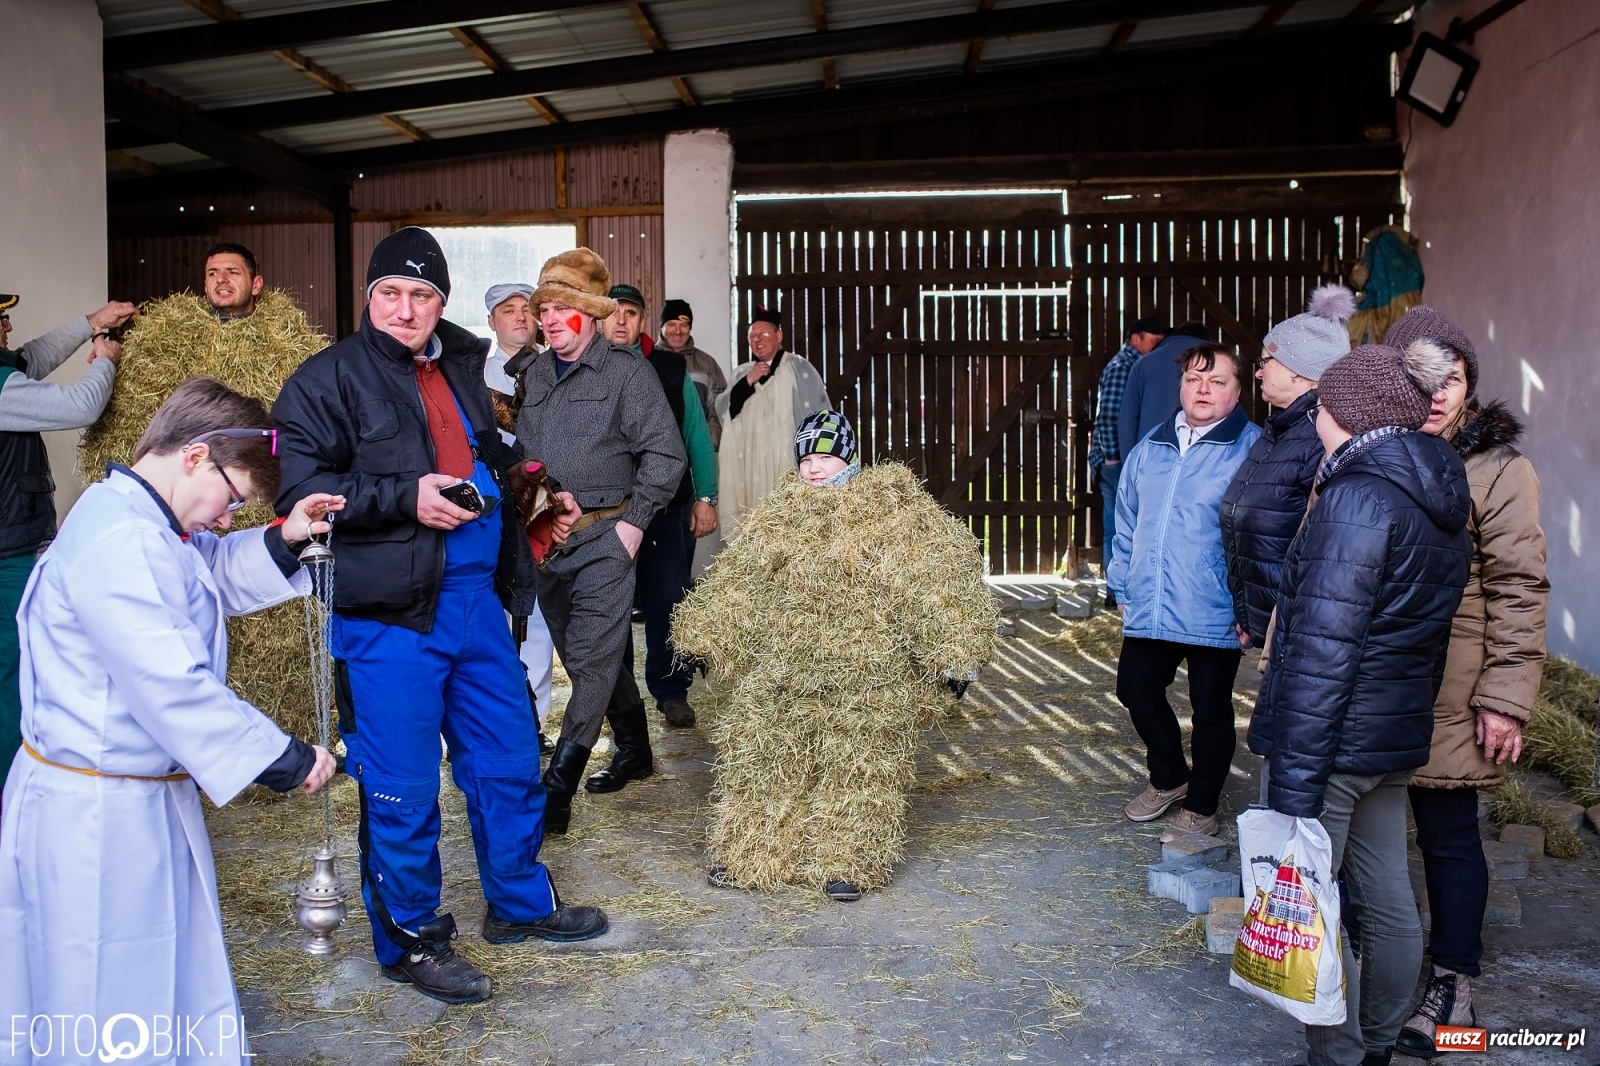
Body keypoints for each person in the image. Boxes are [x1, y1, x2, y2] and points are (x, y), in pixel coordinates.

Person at [274, 227, 606, 1008]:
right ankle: (413, 940)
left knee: (508, 758)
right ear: (368, 298)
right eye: (391, 292)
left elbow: (486, 459)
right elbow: (297, 499)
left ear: (442, 303)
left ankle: (521, 905)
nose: (406, 308)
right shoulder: (324, 381)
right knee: (401, 786)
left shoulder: (459, 368)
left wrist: (531, 497)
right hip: (390, 615)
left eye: (422, 295)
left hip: (476, 605)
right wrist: (401, 497)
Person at [0, 377, 340, 1065]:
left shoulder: (141, 520)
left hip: (135, 800)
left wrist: (286, 537)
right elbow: (172, 686)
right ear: (195, 456)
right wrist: (288, 759)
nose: (224, 519)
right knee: (105, 987)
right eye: (232, 500)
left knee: (156, 975)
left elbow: (201, 573)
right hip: (95, 816)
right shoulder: (117, 540)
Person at [1248, 339, 1470, 1066]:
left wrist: (1298, 777)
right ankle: (1376, 1044)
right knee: (1388, 900)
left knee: (1311, 903)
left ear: (1345, 410)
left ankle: (1338, 1054)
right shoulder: (1436, 491)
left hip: (1334, 743)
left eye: (1326, 402)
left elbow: (1322, 650)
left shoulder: (1357, 499)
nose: (1315, 414)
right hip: (1390, 735)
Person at [674, 410, 995, 901]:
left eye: (826, 455)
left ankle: (848, 858)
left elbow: (935, 581)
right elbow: (743, 579)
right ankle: (755, 852)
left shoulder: (892, 512)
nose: (815, 467)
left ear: (848, 456)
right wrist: (705, 630)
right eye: (806, 458)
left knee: (860, 766)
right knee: (764, 755)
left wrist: (955, 655)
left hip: (869, 671)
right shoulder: (780, 515)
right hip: (783, 667)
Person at [1383, 308, 1548, 1057]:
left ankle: (1454, 983)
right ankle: (1375, 971)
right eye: (1425, 379)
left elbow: (1519, 587)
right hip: (1378, 684)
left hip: (1455, 690)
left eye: (1455, 377)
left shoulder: (1497, 468)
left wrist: (1505, 698)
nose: (1442, 393)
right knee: (1373, 839)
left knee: (1449, 839)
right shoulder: (1373, 451)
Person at [504, 250, 685, 833]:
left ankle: (557, 788)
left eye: (563, 310)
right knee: (591, 655)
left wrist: (633, 526)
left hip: (606, 535)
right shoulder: (532, 375)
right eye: (544, 310)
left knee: (588, 665)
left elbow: (667, 455)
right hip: (545, 541)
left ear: (590, 315)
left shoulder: (626, 373)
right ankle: (635, 747)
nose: (551, 320)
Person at [1108, 343, 1261, 841]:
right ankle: (1171, 778)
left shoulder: (1253, 451)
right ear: (1180, 387)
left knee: (1211, 709)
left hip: (1216, 604)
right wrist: (1122, 580)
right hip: (1153, 599)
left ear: (1237, 392)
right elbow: (1127, 520)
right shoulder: (1151, 446)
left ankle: (1202, 805)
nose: (1203, 389)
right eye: (1195, 379)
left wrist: (1251, 603)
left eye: (1218, 381)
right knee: (1134, 688)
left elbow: (1265, 534)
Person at [0, 293, 137, 767]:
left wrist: (91, 322)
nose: (8, 331)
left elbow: (28, 358)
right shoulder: (0, 391)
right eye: (0, 323)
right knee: (12, 677)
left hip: (14, 544)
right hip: (7, 558)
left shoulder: (5, 376)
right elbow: (81, 406)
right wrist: (106, 361)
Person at [603, 283, 718, 729]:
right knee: (611, 606)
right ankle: (621, 702)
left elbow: (696, 436)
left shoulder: (669, 368)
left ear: (641, 320)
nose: (620, 320)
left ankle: (671, 691)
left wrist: (705, 496)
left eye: (630, 313)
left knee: (668, 601)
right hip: (606, 514)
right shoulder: (586, 366)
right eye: (613, 312)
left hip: (666, 509)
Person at [1220, 285, 1356, 646]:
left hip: (1302, 631)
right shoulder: (1280, 428)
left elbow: (1322, 548)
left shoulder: (1320, 436)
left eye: (1266, 362)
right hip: (1272, 627)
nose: (1259, 373)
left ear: (1298, 372)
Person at [482, 281, 556, 754]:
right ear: (491, 321)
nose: (519, 317)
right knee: (494, 610)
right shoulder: (475, 376)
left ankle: (536, 720)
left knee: (540, 616)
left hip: (546, 503)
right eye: (507, 311)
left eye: (526, 309)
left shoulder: (554, 368)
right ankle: (495, 719)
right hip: (495, 501)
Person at [715, 305, 829, 541]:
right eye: (752, 336)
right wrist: (748, 381)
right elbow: (725, 411)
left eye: (764, 334)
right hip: (749, 466)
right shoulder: (741, 374)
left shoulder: (799, 369)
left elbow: (821, 419)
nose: (757, 340)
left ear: (779, 335)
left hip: (786, 463)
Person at [1086, 317, 1167, 609]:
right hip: (1115, 460)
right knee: (1123, 527)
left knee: (1115, 526)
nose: (1157, 347)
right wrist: (1113, 457)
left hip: (1113, 459)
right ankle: (1117, 590)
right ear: (1135, 338)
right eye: (1153, 341)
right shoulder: (1125, 367)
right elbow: (1108, 416)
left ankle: (1114, 589)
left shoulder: (1131, 365)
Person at [1116, 321, 1211, 464]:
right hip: (1206, 461)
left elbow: (1127, 422)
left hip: (1149, 462)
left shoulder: (1143, 364)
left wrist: (1129, 466)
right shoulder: (1218, 365)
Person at [659, 298, 727, 448]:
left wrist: (705, 444)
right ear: (662, 327)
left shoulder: (708, 365)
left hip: (699, 451)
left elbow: (720, 411)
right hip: (658, 452)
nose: (678, 331)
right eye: (671, 324)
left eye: (684, 325)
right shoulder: (648, 360)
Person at [204, 242, 265, 321]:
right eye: (213, 273)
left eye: (233, 272)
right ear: (206, 286)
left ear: (256, 285)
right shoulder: (188, 330)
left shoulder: (277, 330)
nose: (220, 279)